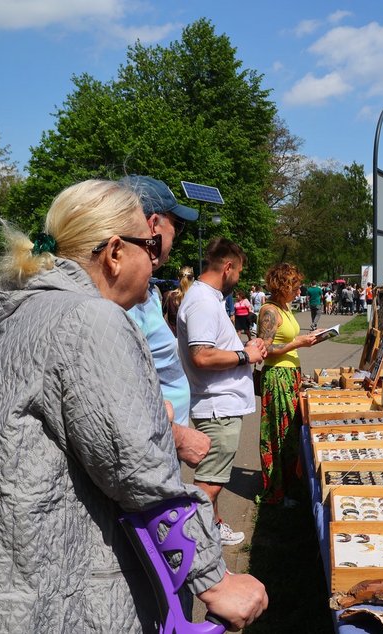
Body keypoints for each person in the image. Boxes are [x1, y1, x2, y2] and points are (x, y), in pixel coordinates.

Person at [0, 179, 267, 632]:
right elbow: (140, 473)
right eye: (149, 247)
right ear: (115, 252)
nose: (156, 263)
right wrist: (214, 581)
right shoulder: (89, 318)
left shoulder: (21, 312)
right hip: (24, 605)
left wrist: (157, 422)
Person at [178, 237, 268, 546]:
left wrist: (245, 349)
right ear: (227, 267)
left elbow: (212, 349)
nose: (238, 279)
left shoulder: (208, 298)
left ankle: (211, 527)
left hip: (219, 404)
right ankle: (190, 541)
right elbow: (201, 356)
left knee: (211, 477)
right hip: (218, 407)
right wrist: (246, 356)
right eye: (239, 272)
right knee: (209, 483)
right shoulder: (203, 300)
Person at [121, 175, 210, 472]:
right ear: (154, 225)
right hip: (148, 452)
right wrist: (177, 436)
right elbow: (116, 398)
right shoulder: (121, 297)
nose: (177, 237)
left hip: (159, 446)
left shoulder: (145, 293)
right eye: (178, 226)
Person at [255, 263, 318, 506]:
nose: (299, 291)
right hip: (277, 377)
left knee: (289, 435)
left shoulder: (284, 307)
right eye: (295, 286)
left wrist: (313, 337)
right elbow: (265, 350)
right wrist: (298, 343)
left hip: (290, 375)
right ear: (283, 286)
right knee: (278, 435)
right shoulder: (269, 311)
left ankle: (289, 486)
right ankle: (277, 492)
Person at [163, 265, 195, 336]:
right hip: (192, 338)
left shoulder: (168, 296)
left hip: (173, 338)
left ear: (178, 278)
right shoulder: (197, 297)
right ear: (192, 279)